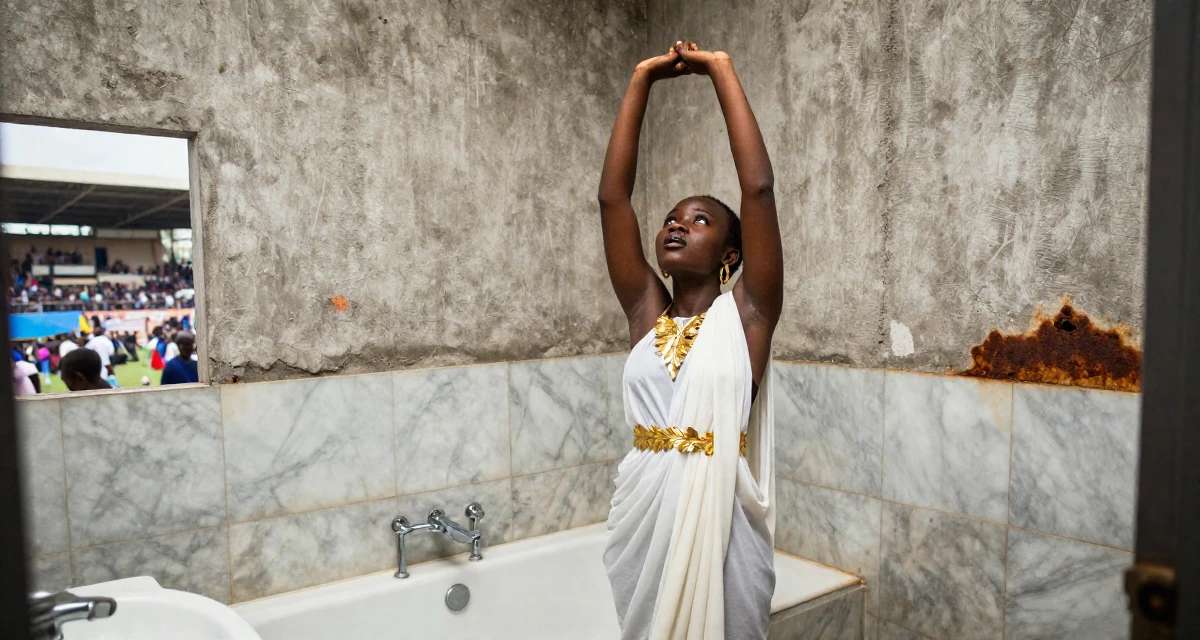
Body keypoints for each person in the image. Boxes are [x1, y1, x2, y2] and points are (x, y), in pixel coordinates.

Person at [598, 42, 783, 639]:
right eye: (672, 216)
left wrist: (721, 71)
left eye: (699, 219)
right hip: (646, 519)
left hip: (722, 532)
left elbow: (757, 191)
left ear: (732, 256)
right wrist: (641, 80)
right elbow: (613, 200)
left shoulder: (749, 313)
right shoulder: (646, 314)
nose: (677, 223)